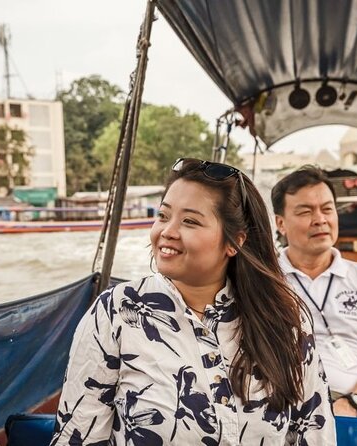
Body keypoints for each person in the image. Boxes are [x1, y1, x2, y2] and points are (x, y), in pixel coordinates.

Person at [51, 158, 336, 445]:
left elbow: (314, 431)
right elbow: (78, 436)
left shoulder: (284, 319)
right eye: (163, 216)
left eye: (190, 221)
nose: (168, 231)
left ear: (233, 242)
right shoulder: (117, 312)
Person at [272, 166, 357, 417]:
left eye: (327, 209)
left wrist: (351, 404)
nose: (320, 219)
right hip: (280, 405)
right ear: (281, 224)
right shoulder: (261, 278)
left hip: (351, 405)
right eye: (305, 211)